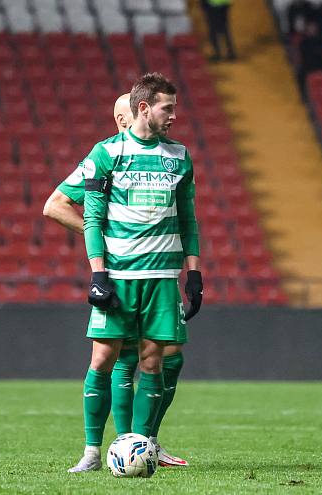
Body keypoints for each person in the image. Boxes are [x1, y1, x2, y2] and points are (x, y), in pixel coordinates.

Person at [65, 73, 202, 473]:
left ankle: (141, 446)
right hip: (121, 275)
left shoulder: (179, 156)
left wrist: (193, 273)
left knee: (153, 362)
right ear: (144, 108)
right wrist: (98, 274)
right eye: (167, 108)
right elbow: (92, 218)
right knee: (103, 358)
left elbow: (188, 218)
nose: (173, 115)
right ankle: (92, 452)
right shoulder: (106, 153)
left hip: (162, 279)